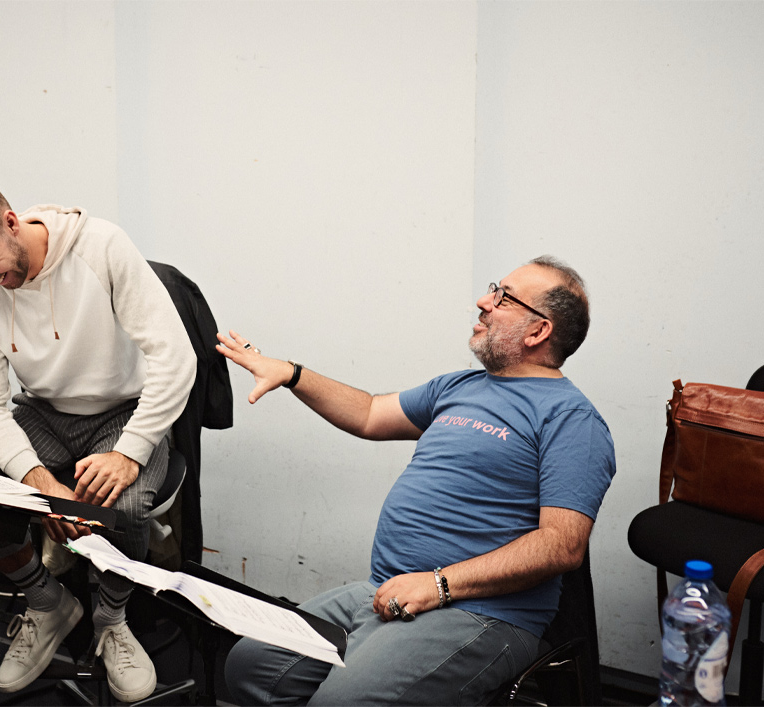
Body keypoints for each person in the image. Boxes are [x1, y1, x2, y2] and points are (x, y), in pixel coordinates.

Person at [218, 256, 616, 705]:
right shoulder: (460, 387)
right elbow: (369, 413)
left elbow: (561, 545)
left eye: (503, 297)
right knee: (251, 664)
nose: (484, 301)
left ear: (538, 331)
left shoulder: (572, 419)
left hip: (482, 613)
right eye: (493, 289)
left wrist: (439, 584)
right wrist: (291, 374)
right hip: (387, 588)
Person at [0, 170, 196, 701]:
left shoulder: (102, 246)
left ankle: (111, 619)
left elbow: (175, 358)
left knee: (129, 503)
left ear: (9, 222)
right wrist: (41, 482)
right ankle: (47, 602)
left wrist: (130, 453)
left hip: (120, 409)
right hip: (43, 414)